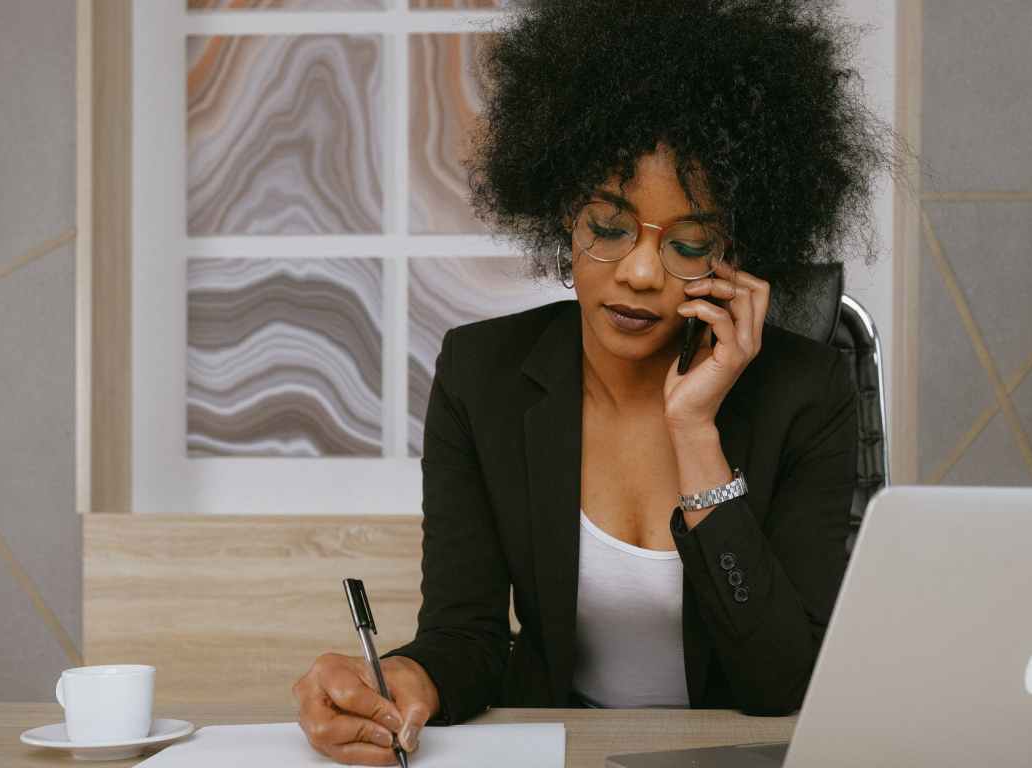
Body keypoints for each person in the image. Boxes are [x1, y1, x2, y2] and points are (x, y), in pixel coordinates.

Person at [293, 0, 897, 763]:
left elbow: (782, 681)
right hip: (564, 748)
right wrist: (406, 676)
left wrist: (694, 432)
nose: (640, 273)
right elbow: (466, 637)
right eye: (608, 227)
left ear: (737, 253)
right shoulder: (484, 377)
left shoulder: (805, 390)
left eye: (689, 243)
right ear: (560, 216)